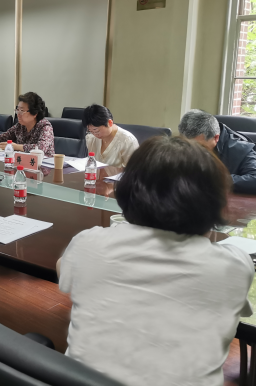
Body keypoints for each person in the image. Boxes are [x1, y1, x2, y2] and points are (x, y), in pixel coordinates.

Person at [56, 136, 254, 386]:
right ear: (215, 205)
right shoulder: (234, 266)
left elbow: (63, 268)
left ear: (126, 191)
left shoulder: (89, 244)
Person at [179, 109, 256, 195]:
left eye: (199, 146)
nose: (192, 151)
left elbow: (254, 179)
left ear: (216, 138)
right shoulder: (178, 145)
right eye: (186, 144)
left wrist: (212, 179)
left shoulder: (243, 150)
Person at [0, 92, 54, 156]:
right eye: (17, 110)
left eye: (22, 110)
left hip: (45, 169)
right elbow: (0, 138)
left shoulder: (45, 126)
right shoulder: (20, 126)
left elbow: (41, 148)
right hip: (23, 165)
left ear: (35, 114)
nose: (18, 114)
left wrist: (16, 147)